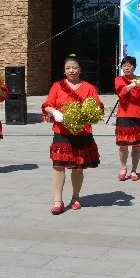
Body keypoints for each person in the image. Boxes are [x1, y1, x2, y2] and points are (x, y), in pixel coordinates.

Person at [41, 56, 103, 215]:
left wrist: (89, 115)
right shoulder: (57, 86)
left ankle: (75, 197)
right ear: (64, 70)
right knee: (58, 165)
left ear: (80, 69)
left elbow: (98, 108)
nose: (71, 70)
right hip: (62, 132)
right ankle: (57, 200)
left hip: (82, 132)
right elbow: (47, 105)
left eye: (74, 67)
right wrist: (55, 112)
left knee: (78, 167)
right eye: (68, 68)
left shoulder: (89, 88)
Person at [113, 56, 140, 181]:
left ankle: (134, 170)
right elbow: (121, 93)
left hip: (138, 114)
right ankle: (123, 168)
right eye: (124, 65)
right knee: (123, 145)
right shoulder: (119, 79)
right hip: (124, 114)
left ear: (134, 67)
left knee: (136, 145)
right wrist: (132, 84)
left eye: (129, 65)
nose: (127, 67)